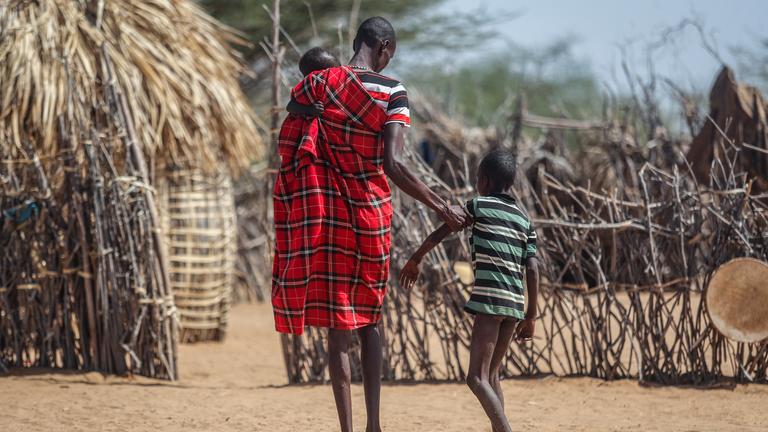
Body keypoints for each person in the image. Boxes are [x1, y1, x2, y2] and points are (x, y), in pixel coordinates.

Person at [271, 16, 467, 432]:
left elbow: (294, 114)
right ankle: (374, 426)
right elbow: (393, 164)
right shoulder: (393, 91)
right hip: (370, 216)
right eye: (390, 51)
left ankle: (346, 428)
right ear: (383, 47)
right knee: (370, 322)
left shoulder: (321, 83)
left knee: (338, 330)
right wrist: (439, 204)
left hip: (330, 219)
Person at [400, 149, 540, 432]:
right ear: (510, 185)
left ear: (484, 182)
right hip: (514, 304)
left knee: (476, 378)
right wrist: (531, 316)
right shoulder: (525, 221)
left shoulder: (478, 206)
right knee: (492, 375)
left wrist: (415, 259)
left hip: (490, 300)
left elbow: (442, 231)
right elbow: (534, 270)